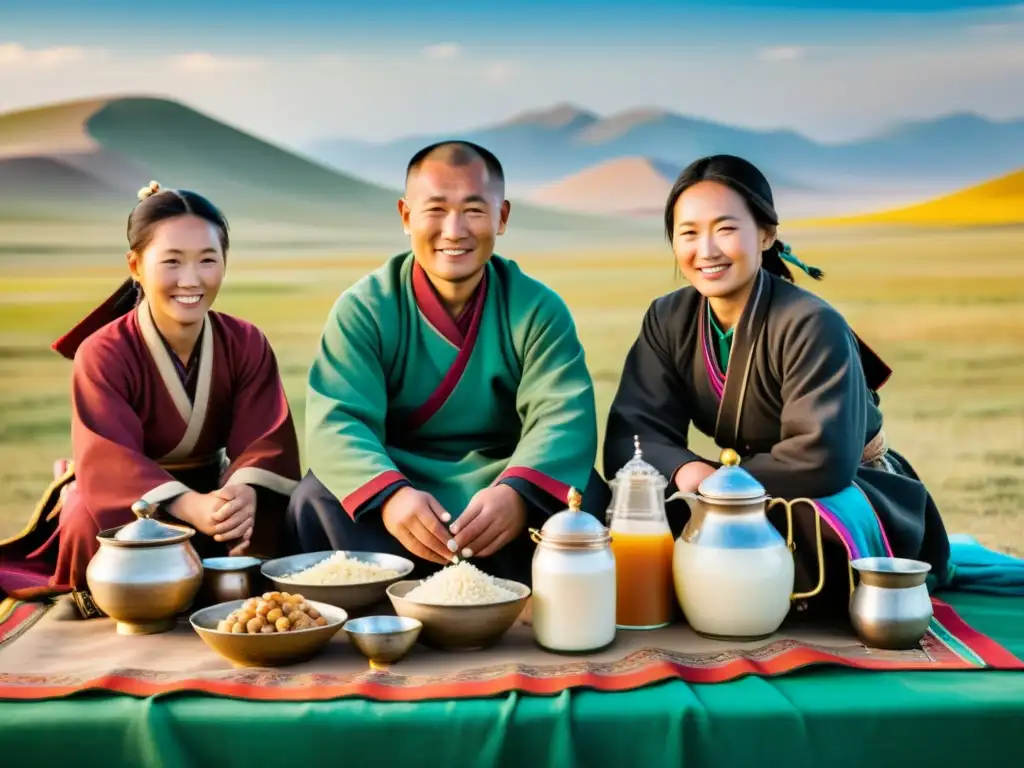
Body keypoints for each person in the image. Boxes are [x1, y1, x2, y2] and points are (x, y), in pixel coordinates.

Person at [602, 155, 952, 614]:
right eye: (688, 233)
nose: (706, 250)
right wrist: (691, 474)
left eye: (725, 229)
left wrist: (718, 488)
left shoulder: (812, 322)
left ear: (766, 234)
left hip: (841, 487)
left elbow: (822, 458)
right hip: (728, 485)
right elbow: (633, 438)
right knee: (628, 513)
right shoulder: (668, 319)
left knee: (795, 531)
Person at [287, 141, 607, 585]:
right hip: (401, 482)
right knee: (316, 497)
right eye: (435, 210)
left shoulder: (537, 308)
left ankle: (537, 602)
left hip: (502, 480)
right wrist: (393, 496)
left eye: (474, 210)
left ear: (502, 217)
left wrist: (516, 493)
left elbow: (563, 416)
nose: (454, 231)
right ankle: (381, 606)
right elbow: (337, 421)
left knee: (581, 492)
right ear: (405, 216)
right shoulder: (365, 307)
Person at [0, 182, 302, 616]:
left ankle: (240, 601)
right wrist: (188, 506)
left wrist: (241, 494)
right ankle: (105, 608)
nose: (191, 280)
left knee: (267, 513)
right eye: (172, 262)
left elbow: (265, 440)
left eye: (207, 261)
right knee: (87, 517)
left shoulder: (246, 341)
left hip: (214, 493)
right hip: (130, 500)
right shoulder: (103, 351)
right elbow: (109, 458)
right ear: (136, 266)